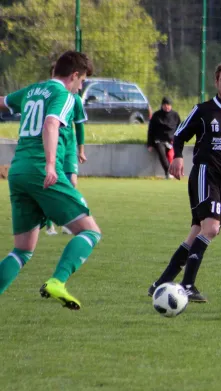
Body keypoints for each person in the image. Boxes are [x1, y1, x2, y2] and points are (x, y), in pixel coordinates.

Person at [0, 51, 101, 310]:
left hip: (18, 170)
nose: (81, 87)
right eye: (82, 81)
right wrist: (49, 164)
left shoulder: (34, 90)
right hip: (39, 171)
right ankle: (58, 281)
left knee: (22, 249)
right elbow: (51, 124)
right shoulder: (64, 96)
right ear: (75, 75)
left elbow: (2, 102)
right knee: (90, 231)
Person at [147, 62, 221, 302]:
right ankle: (187, 285)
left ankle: (160, 283)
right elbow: (179, 135)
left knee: (196, 233)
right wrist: (175, 159)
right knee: (211, 229)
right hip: (205, 174)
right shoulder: (203, 110)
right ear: (216, 82)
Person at [46, 64, 88, 236]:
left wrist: (81, 149)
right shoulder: (50, 96)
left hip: (69, 146)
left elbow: (79, 126)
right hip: (53, 144)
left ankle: (68, 222)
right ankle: (49, 225)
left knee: (72, 183)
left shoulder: (75, 100)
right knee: (51, 183)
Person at [147, 96, 181, 179]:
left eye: (168, 105)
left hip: (171, 140)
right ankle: (168, 172)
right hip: (159, 140)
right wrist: (150, 144)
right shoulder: (156, 115)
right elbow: (151, 130)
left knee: (172, 155)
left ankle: (174, 172)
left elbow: (180, 129)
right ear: (162, 105)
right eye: (165, 105)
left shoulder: (175, 115)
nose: (167, 107)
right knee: (161, 153)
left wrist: (178, 140)